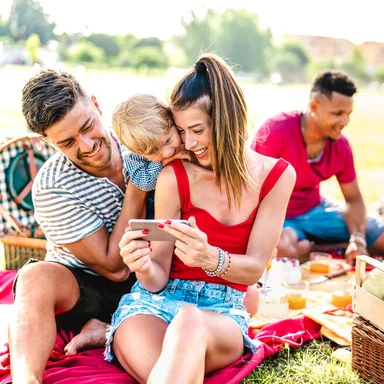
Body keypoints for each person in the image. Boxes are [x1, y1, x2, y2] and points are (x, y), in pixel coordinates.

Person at [106, 54, 295, 383]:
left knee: (189, 321)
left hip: (221, 311)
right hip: (154, 305)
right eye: (181, 131)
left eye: (197, 130)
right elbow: (158, 277)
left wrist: (212, 258)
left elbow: (253, 269)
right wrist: (141, 264)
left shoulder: (276, 176)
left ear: (227, 120)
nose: (189, 143)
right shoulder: (173, 176)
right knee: (167, 373)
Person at [10, 70, 146, 384]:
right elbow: (115, 268)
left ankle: (106, 328)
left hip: (162, 274)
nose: (87, 146)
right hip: (91, 286)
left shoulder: (142, 140)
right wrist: (140, 186)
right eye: (68, 142)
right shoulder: (51, 186)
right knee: (33, 277)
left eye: (87, 127)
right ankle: (26, 379)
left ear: (97, 105)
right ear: (49, 143)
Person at [111, 93, 260, 316]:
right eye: (154, 152)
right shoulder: (141, 157)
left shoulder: (189, 142)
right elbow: (143, 181)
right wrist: (164, 163)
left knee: (253, 297)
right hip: (158, 215)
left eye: (169, 141)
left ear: (172, 122)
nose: (167, 151)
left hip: (197, 232)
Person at [251, 71, 384, 263]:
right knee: (280, 249)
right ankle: (323, 248)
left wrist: (357, 239)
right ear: (314, 106)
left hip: (316, 210)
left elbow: (354, 198)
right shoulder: (275, 131)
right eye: (337, 114)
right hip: (280, 216)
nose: (344, 122)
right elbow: (249, 188)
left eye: (348, 115)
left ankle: (316, 248)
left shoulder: (341, 145)